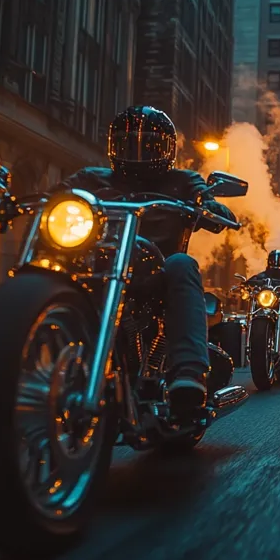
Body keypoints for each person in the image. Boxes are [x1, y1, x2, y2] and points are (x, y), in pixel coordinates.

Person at [54, 105, 237, 417]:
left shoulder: (183, 181)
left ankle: (189, 373)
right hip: (98, 265)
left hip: (157, 273)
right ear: (113, 145)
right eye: (127, 143)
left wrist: (209, 207)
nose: (137, 152)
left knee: (182, 264)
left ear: (167, 149)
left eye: (149, 144)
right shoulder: (91, 178)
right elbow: (54, 196)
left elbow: (213, 207)